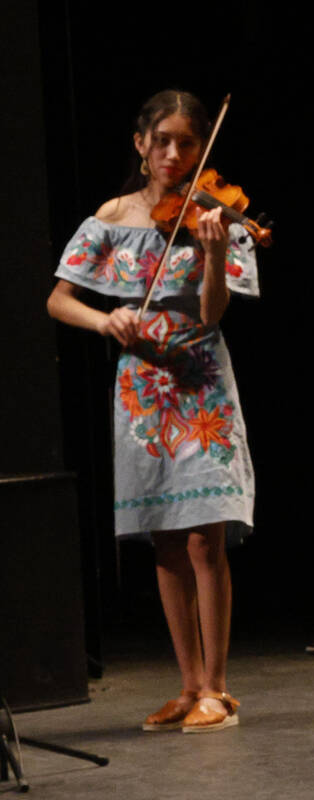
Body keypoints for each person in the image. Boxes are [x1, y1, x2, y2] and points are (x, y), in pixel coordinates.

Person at [47, 90, 258, 732]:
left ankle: (218, 688)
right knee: (166, 538)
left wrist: (215, 251)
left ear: (201, 149)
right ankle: (189, 685)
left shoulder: (216, 215)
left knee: (205, 535)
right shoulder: (111, 218)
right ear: (140, 144)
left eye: (187, 143)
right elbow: (59, 300)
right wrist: (104, 316)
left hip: (201, 386)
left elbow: (214, 310)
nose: (173, 154)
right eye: (161, 140)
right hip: (142, 391)